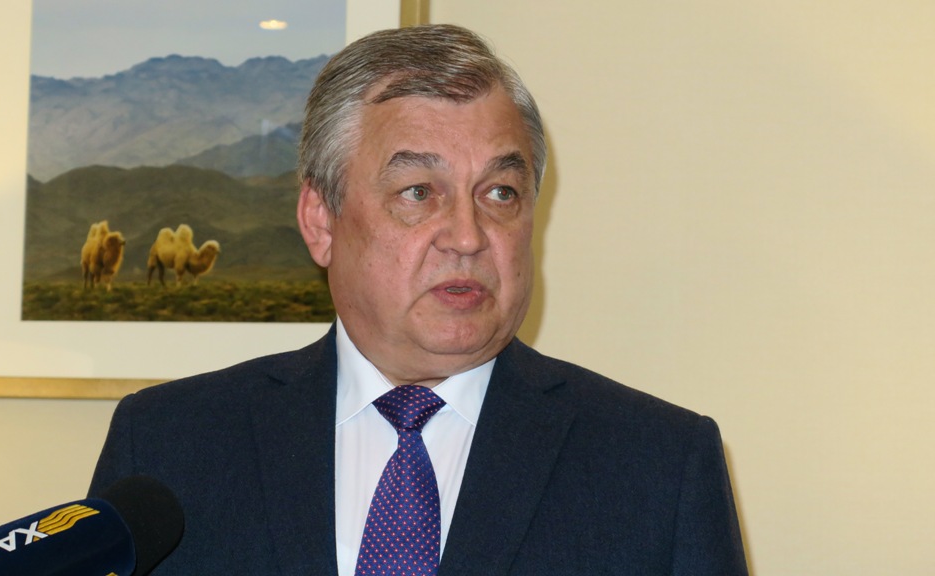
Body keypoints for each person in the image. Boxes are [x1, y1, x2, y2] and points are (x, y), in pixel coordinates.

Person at [89, 23, 748, 575]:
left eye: (500, 193)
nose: (467, 236)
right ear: (322, 221)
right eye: (418, 192)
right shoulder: (169, 446)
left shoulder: (659, 465)